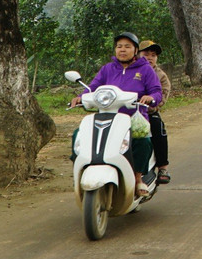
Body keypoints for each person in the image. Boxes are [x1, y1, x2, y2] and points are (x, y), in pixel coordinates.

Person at [69, 32, 163, 193]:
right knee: (79, 134)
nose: (122, 50)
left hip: (133, 118)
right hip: (106, 116)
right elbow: (93, 88)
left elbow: (157, 91)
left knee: (143, 141)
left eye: (127, 46)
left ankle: (138, 178)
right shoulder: (108, 69)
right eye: (119, 46)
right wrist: (80, 97)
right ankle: (82, 169)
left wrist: (151, 97)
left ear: (135, 50)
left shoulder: (145, 69)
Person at [137, 40, 172, 184]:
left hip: (148, 113)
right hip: (125, 111)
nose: (150, 58)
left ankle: (163, 167)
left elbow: (162, 97)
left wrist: (149, 104)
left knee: (158, 128)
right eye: (146, 54)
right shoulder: (128, 70)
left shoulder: (160, 75)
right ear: (137, 54)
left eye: (153, 55)